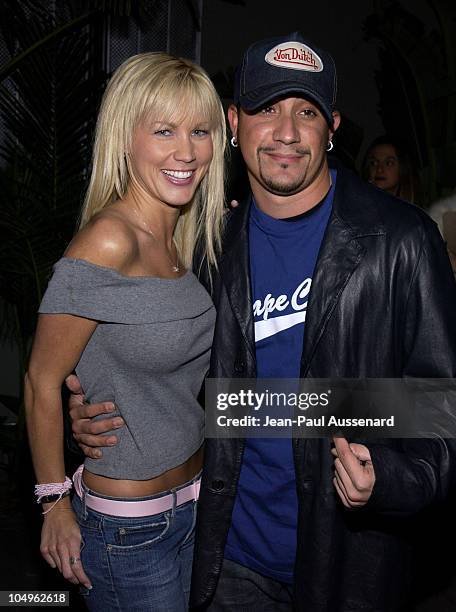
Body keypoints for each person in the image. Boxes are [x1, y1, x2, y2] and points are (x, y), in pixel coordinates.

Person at [68, 33, 456, 611]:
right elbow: (172, 375)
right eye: (266, 108)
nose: (287, 132)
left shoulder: (401, 240)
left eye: (307, 112)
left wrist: (391, 478)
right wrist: (103, 407)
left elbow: (441, 405)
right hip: (228, 557)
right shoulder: (201, 244)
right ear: (232, 121)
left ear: (334, 128)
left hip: (350, 563)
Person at [24, 52, 226, 611]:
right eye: (163, 131)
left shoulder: (184, 238)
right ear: (125, 139)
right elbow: (43, 380)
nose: (186, 151)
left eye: (200, 131)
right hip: (130, 532)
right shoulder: (109, 241)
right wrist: (54, 502)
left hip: (195, 503)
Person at [361, 135, 422, 204]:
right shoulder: (358, 202)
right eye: (374, 163)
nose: (379, 169)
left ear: (402, 168)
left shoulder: (413, 212)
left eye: (388, 163)